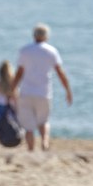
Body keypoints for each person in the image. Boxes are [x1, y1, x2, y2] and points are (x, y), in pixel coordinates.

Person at [11, 23, 73, 151]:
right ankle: (44, 143)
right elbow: (60, 73)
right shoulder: (51, 51)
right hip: (44, 92)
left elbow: (19, 73)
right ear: (46, 36)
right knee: (43, 121)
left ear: (34, 35)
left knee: (29, 126)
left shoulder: (25, 50)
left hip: (26, 91)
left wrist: (12, 89)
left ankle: (31, 149)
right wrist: (67, 90)